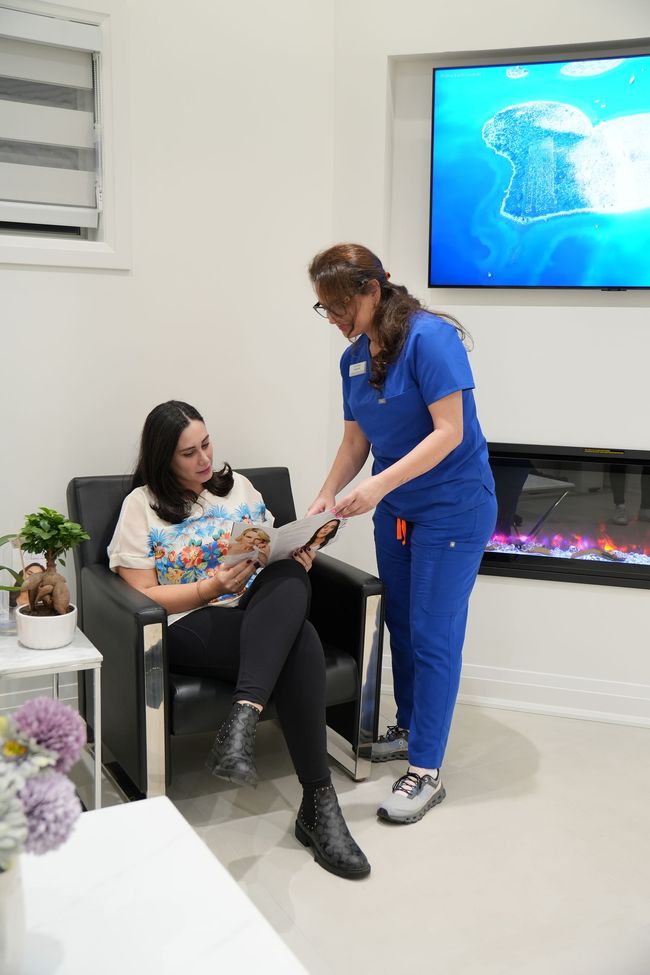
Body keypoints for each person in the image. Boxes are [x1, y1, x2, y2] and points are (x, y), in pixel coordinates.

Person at [107, 400, 369, 879]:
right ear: (164, 458)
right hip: (193, 620)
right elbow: (141, 594)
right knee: (302, 641)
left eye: (206, 444)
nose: (204, 460)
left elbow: (269, 544)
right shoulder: (140, 506)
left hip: (261, 607)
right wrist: (210, 587)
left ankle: (243, 719)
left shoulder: (240, 488)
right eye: (188, 453)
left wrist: (296, 554)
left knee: (290, 576)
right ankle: (318, 805)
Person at [307, 244, 497, 825]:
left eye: (341, 306)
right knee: (401, 624)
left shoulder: (429, 338)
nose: (335, 319)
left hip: (452, 509)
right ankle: (410, 727)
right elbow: (354, 443)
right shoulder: (354, 360)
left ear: (372, 290)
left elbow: (448, 432)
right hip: (398, 509)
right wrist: (325, 496)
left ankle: (427, 769)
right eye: (324, 309)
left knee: (433, 633)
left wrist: (377, 487)